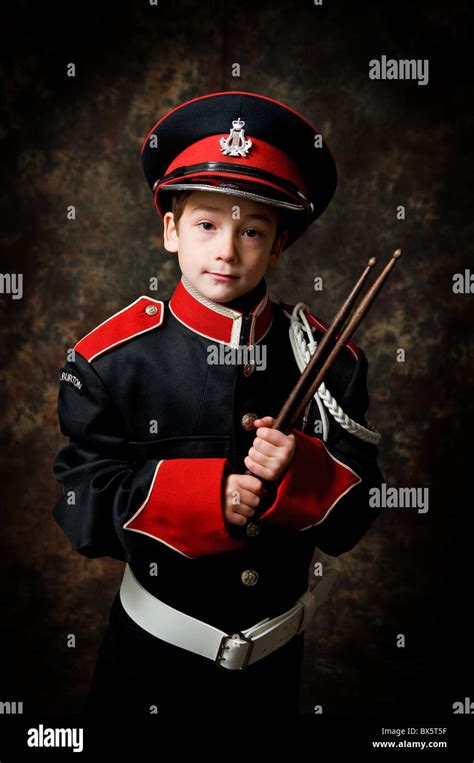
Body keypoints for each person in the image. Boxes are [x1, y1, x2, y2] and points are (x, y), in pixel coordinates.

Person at [51, 91, 385, 721]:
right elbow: (78, 505)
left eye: (251, 230)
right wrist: (201, 499)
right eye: (207, 224)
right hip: (149, 664)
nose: (227, 249)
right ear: (172, 230)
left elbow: (357, 516)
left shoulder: (331, 360)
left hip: (276, 674)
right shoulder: (111, 360)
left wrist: (304, 474)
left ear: (279, 245)